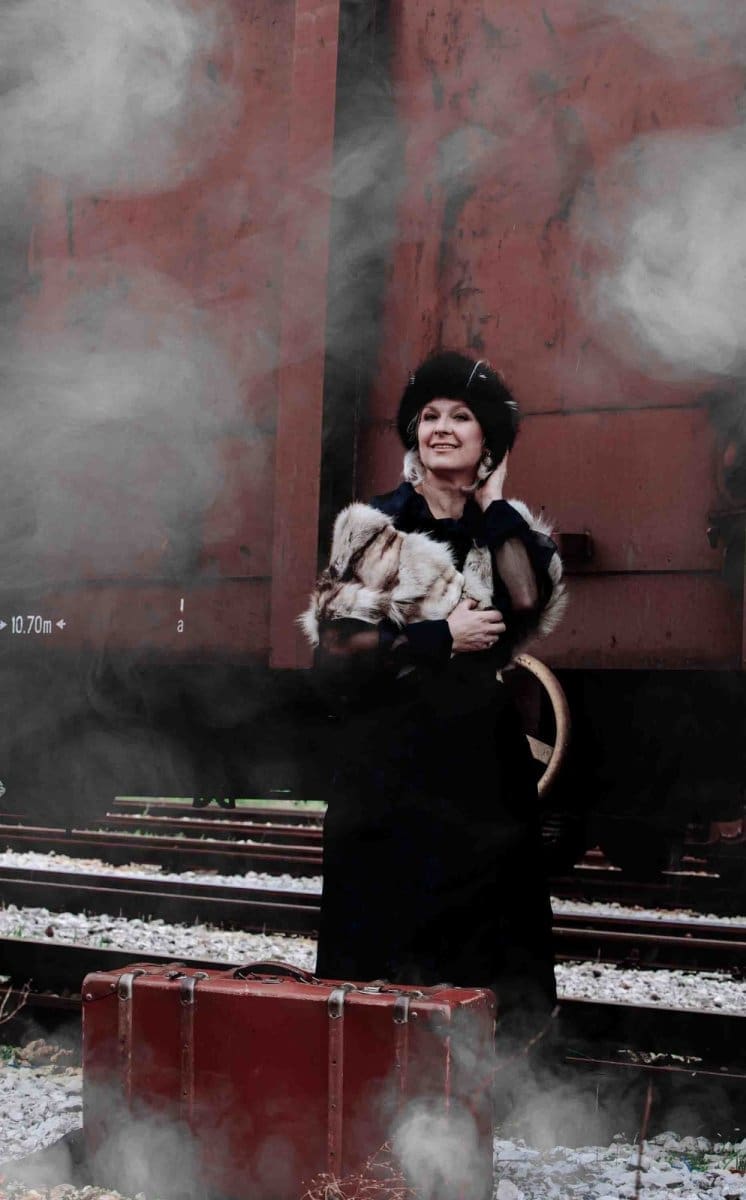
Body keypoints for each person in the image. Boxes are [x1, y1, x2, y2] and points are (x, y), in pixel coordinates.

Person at [302, 351, 566, 1041]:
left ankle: (481, 1085)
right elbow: (335, 653)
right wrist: (440, 636)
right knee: (386, 939)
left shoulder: (507, 535)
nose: (441, 428)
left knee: (491, 940)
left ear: (489, 441)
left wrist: (494, 503)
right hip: (391, 761)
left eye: (462, 417)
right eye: (428, 416)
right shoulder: (376, 528)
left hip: (482, 770)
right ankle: (376, 1081)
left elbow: (526, 602)